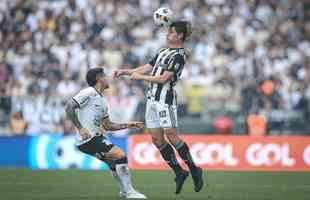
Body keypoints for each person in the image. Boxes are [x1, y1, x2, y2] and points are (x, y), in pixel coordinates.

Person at [114, 21, 203, 194]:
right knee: (156, 139)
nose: (167, 34)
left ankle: (194, 169)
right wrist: (126, 71)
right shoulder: (163, 52)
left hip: (165, 99)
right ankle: (179, 172)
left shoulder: (179, 56)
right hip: (151, 99)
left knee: (171, 135)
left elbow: (164, 79)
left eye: (171, 32)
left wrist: (139, 78)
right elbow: (147, 67)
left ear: (179, 36)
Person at [65, 67, 147, 199]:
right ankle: (130, 192)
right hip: (88, 139)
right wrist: (80, 128)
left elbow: (108, 126)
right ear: (99, 79)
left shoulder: (103, 101)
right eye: (105, 75)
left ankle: (124, 191)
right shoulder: (89, 92)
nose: (108, 78)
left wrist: (128, 124)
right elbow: (69, 106)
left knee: (113, 162)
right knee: (120, 155)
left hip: (96, 137)